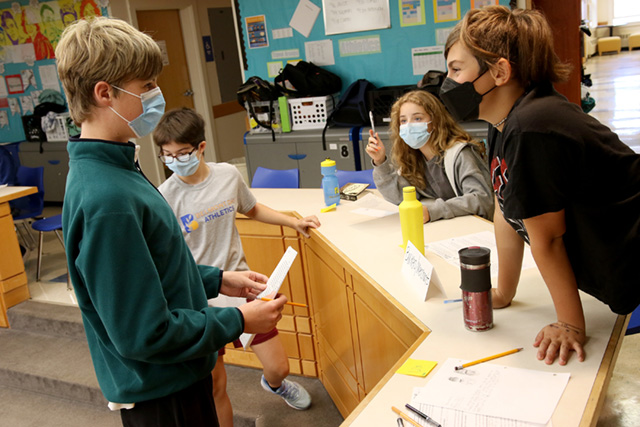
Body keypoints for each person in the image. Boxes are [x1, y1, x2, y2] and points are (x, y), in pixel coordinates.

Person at [56, 17, 287, 426]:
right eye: (146, 85)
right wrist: (238, 320)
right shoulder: (107, 198)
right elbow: (145, 333)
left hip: (177, 379)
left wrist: (216, 280)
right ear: (105, 93)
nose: (156, 95)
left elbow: (152, 271)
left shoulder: (115, 168)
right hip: (164, 395)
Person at [441, 6, 640, 366]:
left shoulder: (531, 126)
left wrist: (569, 324)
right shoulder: (503, 122)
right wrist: (503, 292)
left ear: (499, 72)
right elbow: (506, 209)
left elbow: (547, 237)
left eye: (456, 69)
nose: (447, 81)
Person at [154, 108, 320, 426]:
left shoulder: (228, 175)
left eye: (182, 153)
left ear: (201, 147)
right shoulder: (163, 197)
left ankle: (275, 385)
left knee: (279, 367)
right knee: (216, 386)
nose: (175, 161)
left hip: (242, 288)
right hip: (199, 298)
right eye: (167, 155)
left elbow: (252, 208)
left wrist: (292, 221)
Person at [366, 90, 493, 222]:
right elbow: (399, 198)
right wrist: (380, 161)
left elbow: (481, 199)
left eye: (417, 118)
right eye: (403, 120)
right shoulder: (413, 158)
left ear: (435, 121)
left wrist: (433, 211)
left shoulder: (460, 153)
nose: (409, 125)